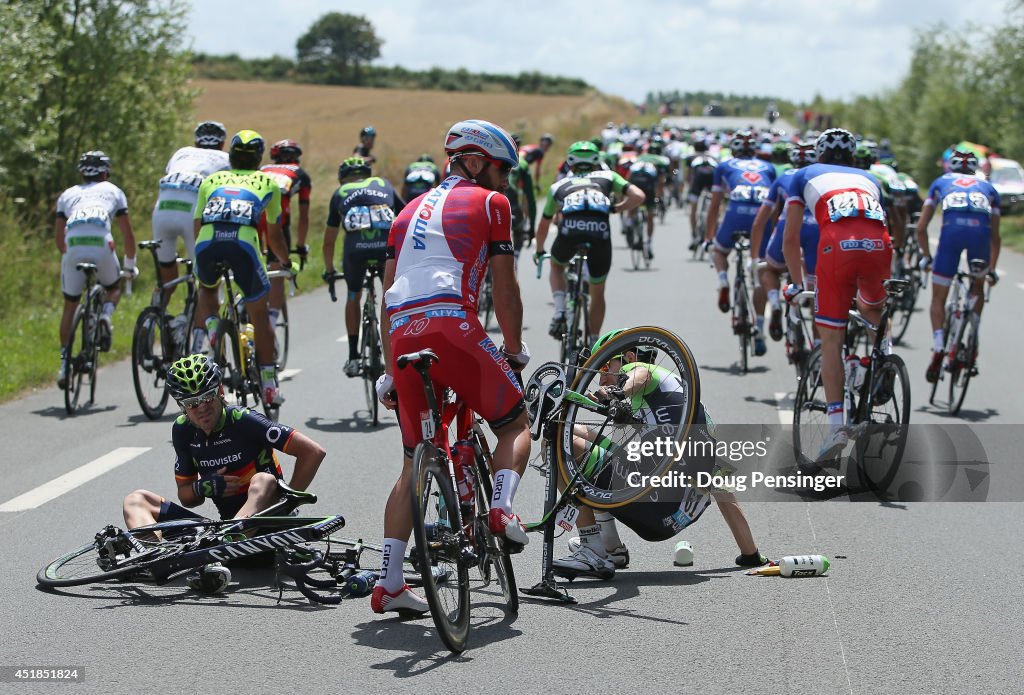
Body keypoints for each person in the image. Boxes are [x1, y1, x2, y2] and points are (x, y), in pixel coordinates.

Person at [371, 119, 532, 615]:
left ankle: (390, 579)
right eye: (503, 169)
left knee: (410, 462)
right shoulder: (492, 203)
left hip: (402, 333)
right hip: (452, 325)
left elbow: (387, 296)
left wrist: (385, 367)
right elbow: (504, 289)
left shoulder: (405, 213)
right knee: (515, 423)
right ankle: (502, 507)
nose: (506, 180)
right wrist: (514, 347)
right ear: (477, 161)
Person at [553, 332, 765, 579]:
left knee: (559, 446)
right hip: (670, 522)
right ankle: (611, 550)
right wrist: (750, 553)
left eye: (604, 367)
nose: (600, 378)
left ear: (629, 356)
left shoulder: (640, 369)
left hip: (650, 504)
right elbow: (724, 491)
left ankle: (592, 550)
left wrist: (617, 390)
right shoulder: (688, 407)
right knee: (581, 440)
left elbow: (640, 375)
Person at [122, 353, 326, 593]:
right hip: (217, 533)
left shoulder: (244, 420)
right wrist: (204, 486)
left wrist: (288, 503)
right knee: (136, 500)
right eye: (192, 403)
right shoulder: (183, 431)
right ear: (181, 405)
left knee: (264, 479)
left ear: (220, 391)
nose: (202, 409)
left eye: (207, 397)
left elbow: (313, 452)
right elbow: (187, 497)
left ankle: (223, 546)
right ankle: (155, 559)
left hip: (266, 533)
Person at [782, 128, 892, 460]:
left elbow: (791, 239)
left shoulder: (802, 174)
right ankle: (880, 359)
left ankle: (836, 428)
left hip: (836, 248)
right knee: (873, 310)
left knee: (831, 340)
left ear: (819, 154)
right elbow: (882, 225)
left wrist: (797, 282)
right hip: (879, 247)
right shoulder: (871, 178)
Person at [193, 130, 289, 407]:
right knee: (260, 314)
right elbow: (275, 236)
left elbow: (197, 225)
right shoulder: (268, 182)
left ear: (231, 156)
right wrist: (285, 262)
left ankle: (213, 327)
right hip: (244, 246)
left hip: (207, 243)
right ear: (259, 158)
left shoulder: (211, 180)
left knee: (207, 287)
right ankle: (269, 385)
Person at [534, 141, 645, 344]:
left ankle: (559, 310)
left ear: (570, 163)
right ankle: (594, 341)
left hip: (569, 235)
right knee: (597, 291)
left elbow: (543, 225)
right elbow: (638, 196)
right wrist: (616, 208)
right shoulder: (609, 176)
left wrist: (539, 251)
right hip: (600, 238)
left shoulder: (558, 186)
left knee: (557, 266)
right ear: (596, 162)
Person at [915, 148, 1001, 382]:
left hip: (950, 236)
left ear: (950, 167)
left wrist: (926, 257)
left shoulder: (941, 182)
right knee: (977, 286)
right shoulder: (989, 187)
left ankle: (939, 344)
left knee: (938, 298)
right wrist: (991, 270)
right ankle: (972, 332)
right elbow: (995, 237)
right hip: (980, 235)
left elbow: (921, 228)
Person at [55, 151, 137, 388]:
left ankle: (64, 364)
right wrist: (129, 266)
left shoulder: (68, 194)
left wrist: (70, 257)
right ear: (105, 172)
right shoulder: (113, 191)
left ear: (82, 172)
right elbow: (127, 234)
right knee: (113, 287)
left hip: (73, 248)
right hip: (102, 246)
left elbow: (59, 237)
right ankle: (105, 316)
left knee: (70, 306)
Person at [321, 156, 406, 377]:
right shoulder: (384, 184)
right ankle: (401, 346)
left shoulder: (340, 193)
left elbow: (329, 240)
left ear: (343, 179)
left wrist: (329, 270)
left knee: (353, 297)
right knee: (392, 296)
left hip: (355, 251)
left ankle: (353, 357)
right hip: (385, 248)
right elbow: (407, 216)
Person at [704, 130, 776, 356]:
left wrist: (708, 237)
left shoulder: (724, 166)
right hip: (761, 219)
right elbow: (775, 207)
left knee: (719, 251)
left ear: (734, 149)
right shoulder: (768, 167)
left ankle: (723, 281)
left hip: (736, 213)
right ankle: (761, 328)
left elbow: (715, 205)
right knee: (761, 270)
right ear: (754, 149)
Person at [151, 121, 230, 311]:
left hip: (163, 210)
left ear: (196, 143)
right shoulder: (226, 159)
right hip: (192, 214)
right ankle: (199, 332)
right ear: (221, 144)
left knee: (167, 276)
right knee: (207, 283)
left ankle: (152, 318)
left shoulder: (180, 153)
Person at [750, 141, 820, 343]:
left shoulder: (784, 178)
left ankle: (775, 301)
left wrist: (754, 258)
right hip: (817, 229)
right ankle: (817, 350)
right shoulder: (824, 177)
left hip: (787, 226)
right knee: (818, 294)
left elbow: (760, 221)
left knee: (769, 270)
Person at [259, 139, 313, 359]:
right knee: (277, 272)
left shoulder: (262, 169)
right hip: (278, 221)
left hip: (251, 217)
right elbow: (304, 216)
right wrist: (300, 247)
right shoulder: (300, 174)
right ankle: (270, 323)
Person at [685, 139, 718, 248]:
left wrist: (689, 188)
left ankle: (694, 236)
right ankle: (714, 231)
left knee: (693, 209)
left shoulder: (690, 158)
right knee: (715, 205)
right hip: (712, 177)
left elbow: (688, 176)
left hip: (698, 179)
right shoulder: (714, 157)